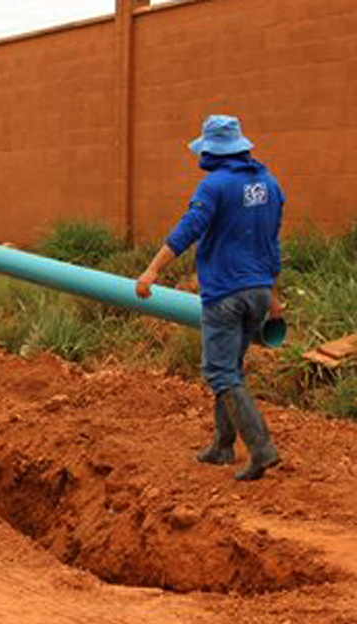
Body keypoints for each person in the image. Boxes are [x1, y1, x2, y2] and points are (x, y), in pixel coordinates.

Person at [135, 115, 283, 481]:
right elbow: (271, 245)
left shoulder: (214, 186)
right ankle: (221, 446)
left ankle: (261, 449)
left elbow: (188, 230)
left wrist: (152, 270)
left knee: (219, 371)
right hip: (258, 293)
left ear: (213, 151)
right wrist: (274, 296)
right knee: (230, 367)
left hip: (226, 294)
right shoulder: (269, 183)